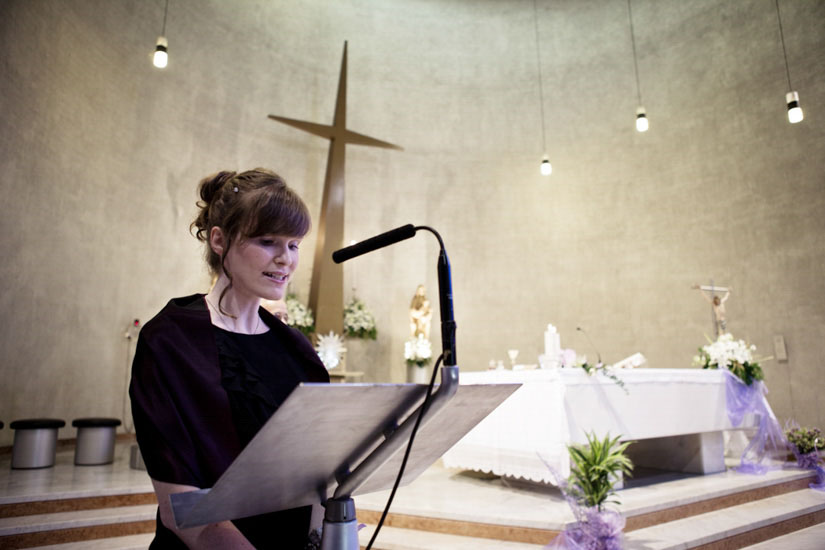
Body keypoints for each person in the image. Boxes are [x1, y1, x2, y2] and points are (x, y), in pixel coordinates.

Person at [130, 169, 329, 549]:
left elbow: (319, 479)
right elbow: (182, 509)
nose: (285, 259)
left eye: (294, 244)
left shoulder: (298, 353)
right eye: (268, 241)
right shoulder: (171, 342)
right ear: (219, 239)